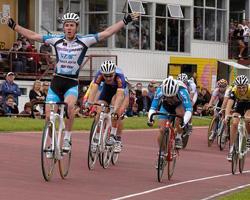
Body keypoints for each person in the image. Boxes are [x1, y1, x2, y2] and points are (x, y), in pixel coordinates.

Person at [6, 12, 139, 151]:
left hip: (71, 83)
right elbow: (33, 36)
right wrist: (14, 25)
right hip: (56, 82)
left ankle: (67, 139)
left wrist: (125, 20)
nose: (69, 28)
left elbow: (106, 33)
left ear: (76, 27)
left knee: (69, 108)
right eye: (66, 25)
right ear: (63, 27)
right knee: (48, 116)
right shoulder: (55, 39)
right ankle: (52, 142)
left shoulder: (84, 40)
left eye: (72, 25)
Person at [86, 61, 127, 153]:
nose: (108, 78)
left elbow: (120, 96)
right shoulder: (99, 74)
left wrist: (115, 110)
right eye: (106, 76)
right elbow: (94, 89)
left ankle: (114, 137)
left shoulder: (120, 77)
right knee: (99, 110)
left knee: (116, 112)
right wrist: (89, 104)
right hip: (107, 90)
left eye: (110, 75)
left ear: (114, 73)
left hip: (119, 91)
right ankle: (96, 138)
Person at [148, 77, 193, 149]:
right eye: (166, 97)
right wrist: (151, 118)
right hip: (165, 106)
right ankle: (162, 152)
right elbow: (153, 108)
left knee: (180, 115)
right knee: (162, 130)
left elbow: (188, 110)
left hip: (178, 105)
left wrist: (184, 122)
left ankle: (178, 136)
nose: (169, 99)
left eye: (171, 97)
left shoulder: (182, 91)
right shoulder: (160, 90)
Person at [225, 75, 250, 161]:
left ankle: (248, 139)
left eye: (243, 87)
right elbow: (229, 104)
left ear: (247, 86)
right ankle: (231, 149)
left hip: (249, 106)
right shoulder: (234, 90)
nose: (241, 89)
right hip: (240, 105)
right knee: (234, 123)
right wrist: (226, 115)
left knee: (247, 119)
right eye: (239, 87)